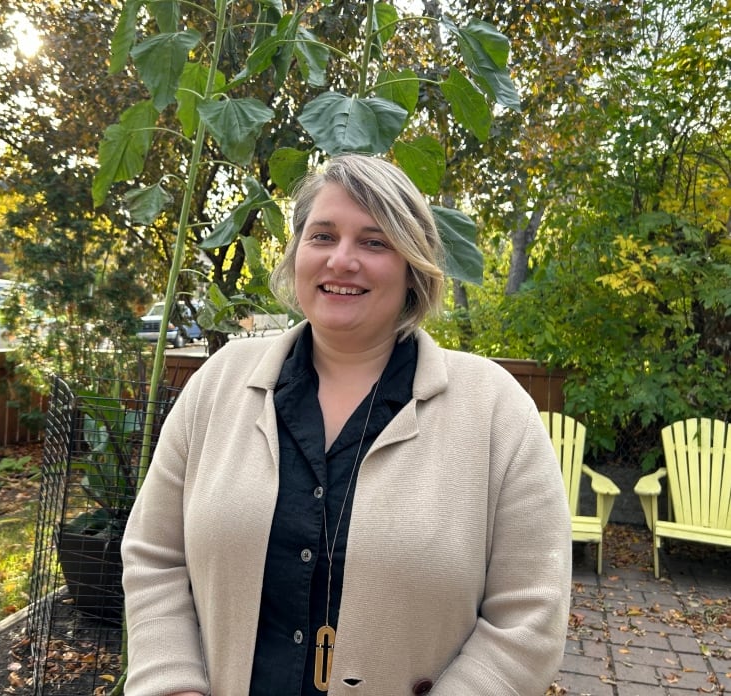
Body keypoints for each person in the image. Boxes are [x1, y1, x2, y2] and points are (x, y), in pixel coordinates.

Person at [121, 153, 572, 696]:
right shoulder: (219, 384)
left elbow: (531, 612)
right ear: (296, 254)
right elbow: (154, 555)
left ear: (412, 267)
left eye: (374, 242)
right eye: (323, 236)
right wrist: (171, 682)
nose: (342, 259)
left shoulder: (496, 410)